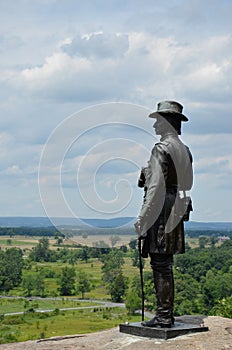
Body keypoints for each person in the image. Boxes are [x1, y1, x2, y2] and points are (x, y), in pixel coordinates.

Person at [135, 100, 193, 328]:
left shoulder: (161, 149)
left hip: (160, 209)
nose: (155, 127)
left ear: (169, 123)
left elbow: (156, 187)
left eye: (158, 121)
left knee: (160, 264)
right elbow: (186, 182)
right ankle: (165, 314)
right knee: (164, 264)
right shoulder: (184, 150)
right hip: (176, 206)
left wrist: (143, 217)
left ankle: (164, 316)